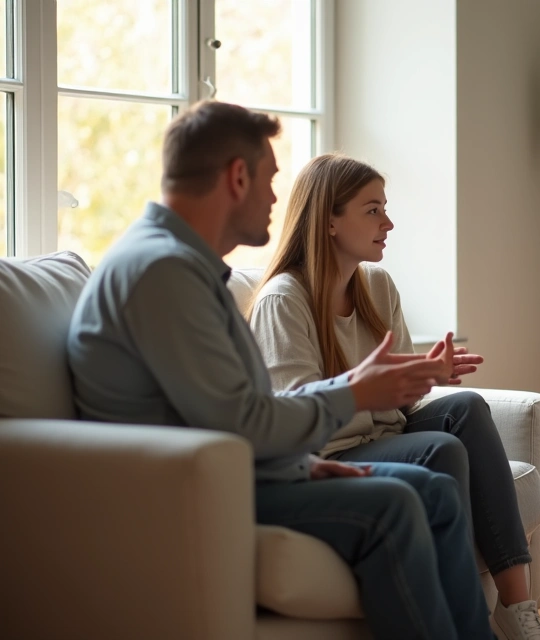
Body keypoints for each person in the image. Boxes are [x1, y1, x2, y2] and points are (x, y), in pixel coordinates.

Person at [66, 101, 494, 640]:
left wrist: (300, 465)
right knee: (396, 504)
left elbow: (223, 413)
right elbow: (240, 420)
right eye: (269, 179)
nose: (275, 197)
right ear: (237, 177)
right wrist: (355, 392)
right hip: (185, 491)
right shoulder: (162, 272)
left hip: (230, 470)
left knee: (433, 492)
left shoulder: (182, 267)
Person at [246, 152, 540, 640]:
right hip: (332, 453)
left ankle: (519, 612)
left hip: (385, 434)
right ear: (328, 221)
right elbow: (297, 417)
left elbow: (402, 405)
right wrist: (376, 390)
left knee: (466, 407)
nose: (387, 222)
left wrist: (428, 374)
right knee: (443, 448)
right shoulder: (284, 299)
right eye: (372, 210)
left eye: (384, 208)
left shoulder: (378, 287)